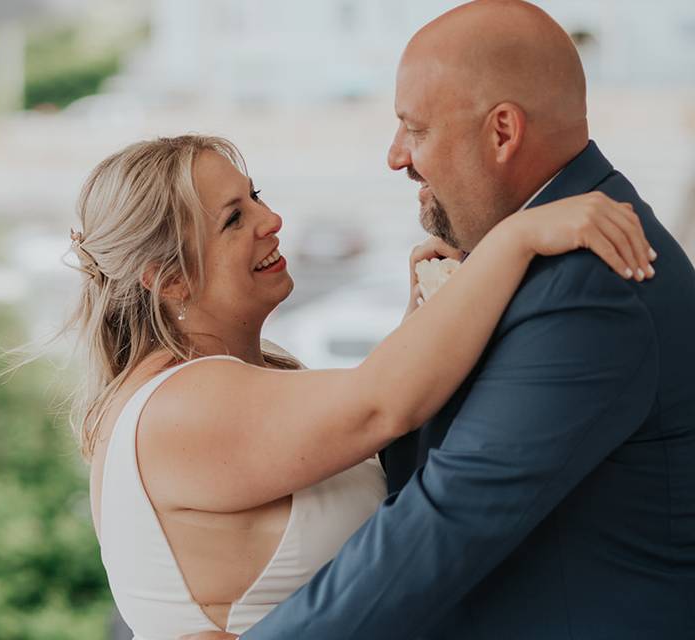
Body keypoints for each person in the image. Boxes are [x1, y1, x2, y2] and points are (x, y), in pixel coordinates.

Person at [183, 2, 695, 639]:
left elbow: (450, 516)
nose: (396, 157)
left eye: (414, 128)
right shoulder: (532, 254)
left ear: (503, 133)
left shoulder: (590, 283)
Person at [68, 128, 653, 640]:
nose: (271, 221)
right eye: (233, 219)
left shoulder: (202, 392)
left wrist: (424, 318)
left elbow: (366, 419)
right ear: (168, 279)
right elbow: (381, 407)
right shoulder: (182, 407)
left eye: (256, 197)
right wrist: (520, 236)